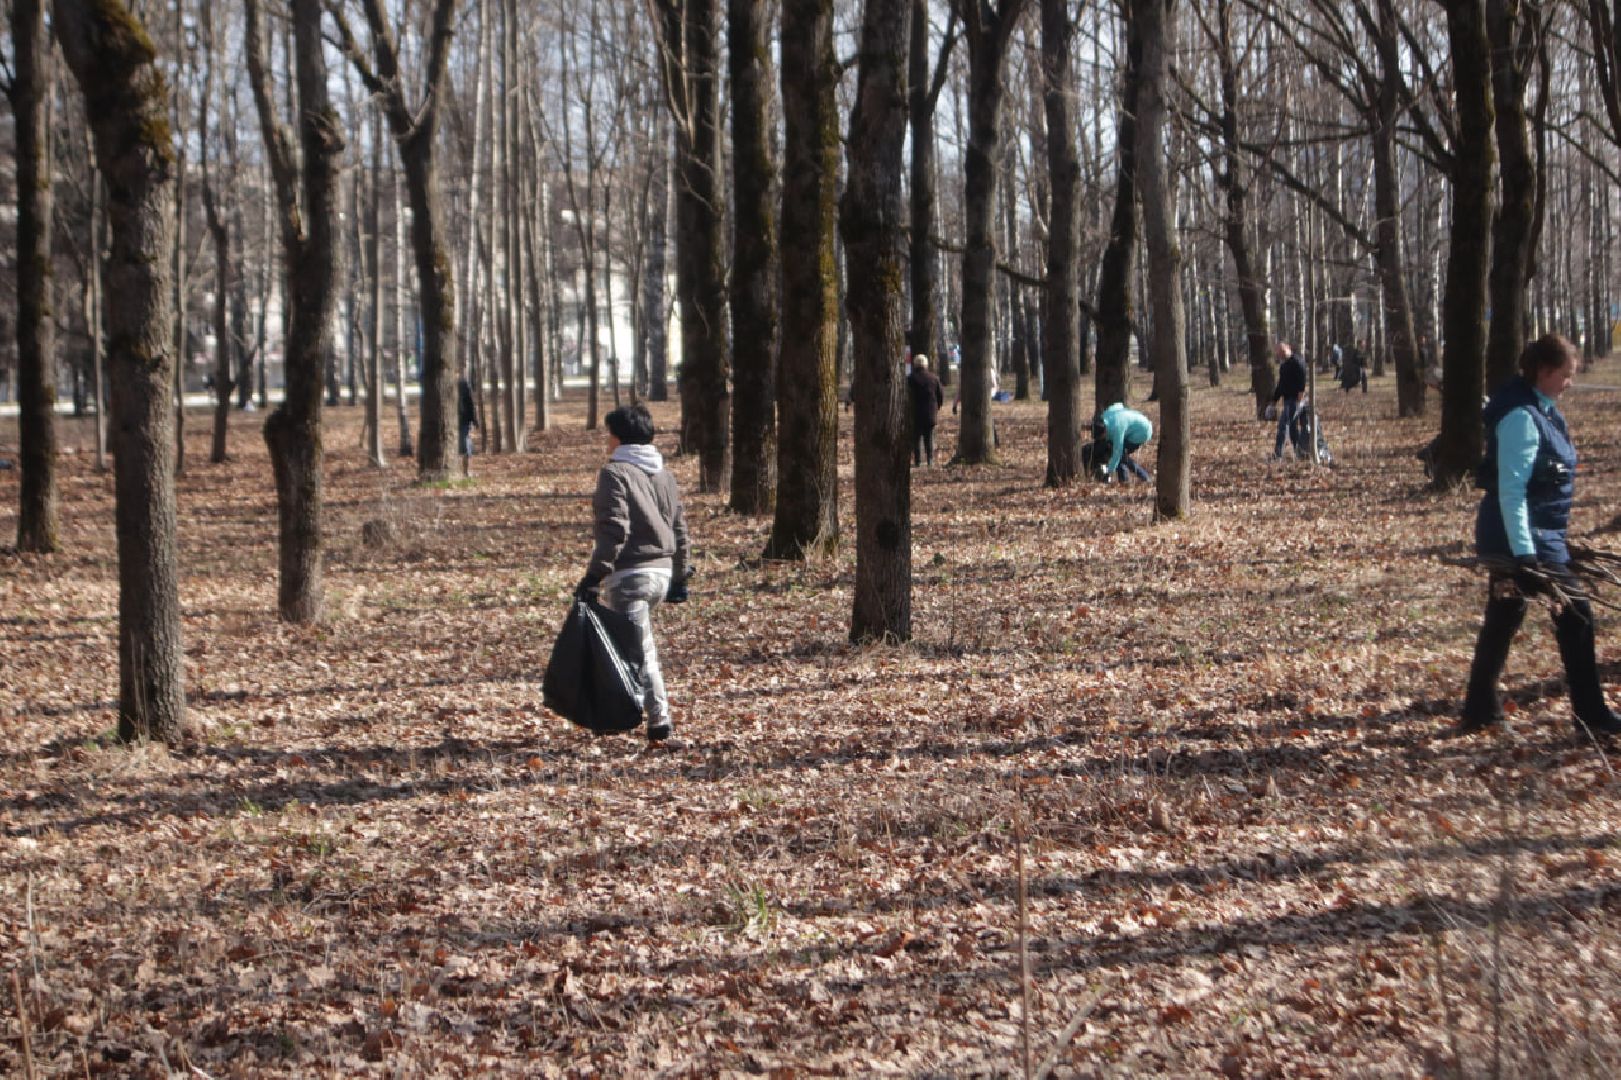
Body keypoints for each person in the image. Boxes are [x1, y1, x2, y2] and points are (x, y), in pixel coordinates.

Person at [1459, 333, 1621, 739]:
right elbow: (1511, 490)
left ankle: (1479, 708)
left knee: (1504, 615)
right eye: (1565, 375)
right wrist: (1526, 556)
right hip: (1518, 538)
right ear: (1544, 372)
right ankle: (1591, 715)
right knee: (1577, 613)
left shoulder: (1541, 409)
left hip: (1533, 535)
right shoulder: (1521, 419)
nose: (1569, 382)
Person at [576, 404, 691, 745]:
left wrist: (594, 575)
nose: (606, 441)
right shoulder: (664, 475)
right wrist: (681, 576)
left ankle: (660, 722)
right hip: (662, 572)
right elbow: (680, 528)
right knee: (630, 646)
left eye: (608, 433)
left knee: (641, 650)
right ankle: (620, 712)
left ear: (618, 436)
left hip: (630, 576)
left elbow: (613, 530)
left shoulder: (615, 474)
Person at [1092, 401, 1153, 483]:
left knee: (1122, 456)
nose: (1103, 438)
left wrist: (1109, 471)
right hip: (1133, 425)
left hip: (1142, 432)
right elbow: (1118, 405)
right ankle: (1124, 480)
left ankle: (1144, 476)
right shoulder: (1105, 417)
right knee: (1118, 455)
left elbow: (1118, 452)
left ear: (1104, 431)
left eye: (1102, 437)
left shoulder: (1117, 428)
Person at [907, 353, 945, 467]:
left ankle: (918, 461)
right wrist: (938, 406)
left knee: (916, 438)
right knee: (929, 437)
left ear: (915, 365)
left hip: (915, 413)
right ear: (926, 365)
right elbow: (940, 395)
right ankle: (930, 460)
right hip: (930, 412)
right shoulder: (934, 378)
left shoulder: (911, 379)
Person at [1271, 342, 1307, 459]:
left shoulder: (1297, 361)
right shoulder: (1284, 365)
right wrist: (1274, 400)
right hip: (1287, 399)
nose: (1280, 355)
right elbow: (1281, 385)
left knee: (1283, 425)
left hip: (1295, 399)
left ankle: (1278, 454)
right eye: (1279, 353)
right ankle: (1299, 451)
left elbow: (1302, 380)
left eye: (1282, 352)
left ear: (1288, 348)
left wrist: (1300, 398)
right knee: (1292, 428)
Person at [457, 376, 479, 478]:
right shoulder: (449, 387)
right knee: (461, 446)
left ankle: (466, 471)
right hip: (456, 422)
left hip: (464, 422)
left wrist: (474, 420)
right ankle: (461, 471)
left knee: (466, 446)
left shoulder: (464, 386)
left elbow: (470, 405)